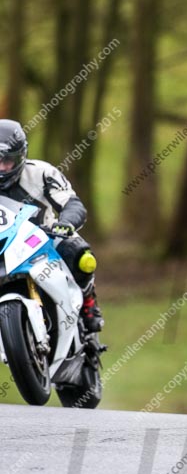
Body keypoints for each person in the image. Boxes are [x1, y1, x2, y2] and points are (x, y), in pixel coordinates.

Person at [0, 119, 104, 332]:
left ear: (21, 156)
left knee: (81, 255)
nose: (2, 168)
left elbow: (72, 203)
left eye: (8, 161)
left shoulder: (41, 173)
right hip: (3, 246)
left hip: (44, 240)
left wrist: (65, 223)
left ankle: (88, 303)